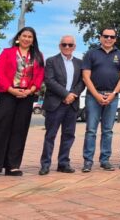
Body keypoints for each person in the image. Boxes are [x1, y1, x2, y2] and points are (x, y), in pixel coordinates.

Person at [0, 26, 45, 179]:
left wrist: (31, 90)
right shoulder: (7, 52)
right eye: (24, 36)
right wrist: (10, 89)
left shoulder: (38, 55)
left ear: (33, 40)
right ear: (18, 37)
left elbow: (40, 74)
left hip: (27, 95)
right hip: (7, 94)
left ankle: (12, 165)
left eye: (30, 37)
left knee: (19, 130)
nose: (26, 39)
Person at [81, 28, 120, 172]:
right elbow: (86, 76)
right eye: (105, 36)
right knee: (91, 130)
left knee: (107, 130)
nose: (109, 39)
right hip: (93, 96)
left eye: (112, 37)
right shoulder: (91, 54)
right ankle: (88, 161)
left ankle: (105, 160)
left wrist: (114, 94)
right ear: (100, 38)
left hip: (112, 97)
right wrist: (96, 95)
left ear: (115, 39)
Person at [39, 35, 84, 175]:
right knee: (50, 135)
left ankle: (63, 163)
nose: (67, 47)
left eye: (70, 45)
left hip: (72, 104)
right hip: (55, 104)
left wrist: (73, 95)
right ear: (59, 46)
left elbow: (82, 82)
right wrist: (66, 94)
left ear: (74, 47)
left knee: (69, 135)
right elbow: (49, 81)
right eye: (64, 44)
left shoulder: (80, 63)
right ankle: (45, 164)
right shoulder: (51, 61)